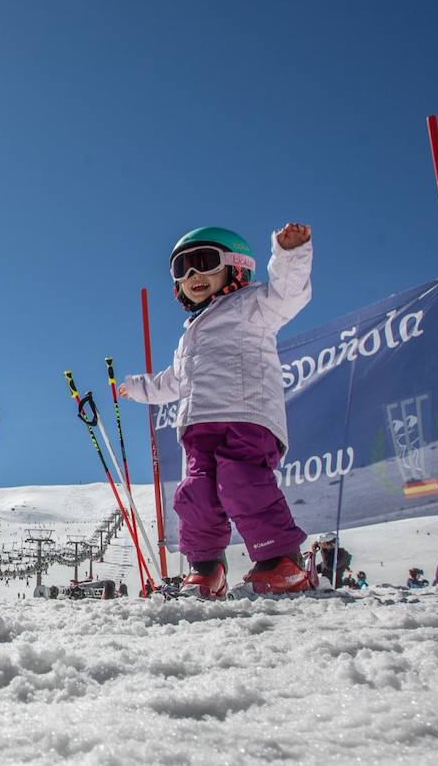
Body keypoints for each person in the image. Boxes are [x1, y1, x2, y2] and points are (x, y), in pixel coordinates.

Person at [121, 224, 314, 598]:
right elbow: (172, 381)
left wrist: (290, 254)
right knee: (196, 493)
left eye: (203, 263)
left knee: (240, 482)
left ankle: (280, 560)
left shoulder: (253, 304)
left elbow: (289, 294)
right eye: (182, 269)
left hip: (246, 417)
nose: (192, 275)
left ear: (235, 266)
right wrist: (137, 388)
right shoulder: (189, 334)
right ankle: (206, 566)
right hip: (198, 426)